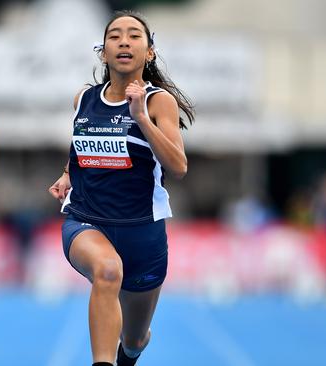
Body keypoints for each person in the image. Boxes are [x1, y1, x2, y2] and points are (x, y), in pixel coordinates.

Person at [49, 10, 194, 366]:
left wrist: (141, 116)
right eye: (115, 36)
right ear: (103, 52)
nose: (124, 41)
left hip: (142, 232)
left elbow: (178, 166)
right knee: (107, 271)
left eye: (133, 36)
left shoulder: (160, 102)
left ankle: (128, 353)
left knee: (134, 337)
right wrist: (68, 174)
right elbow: (83, 145)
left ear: (149, 52)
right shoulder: (83, 98)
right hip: (86, 220)